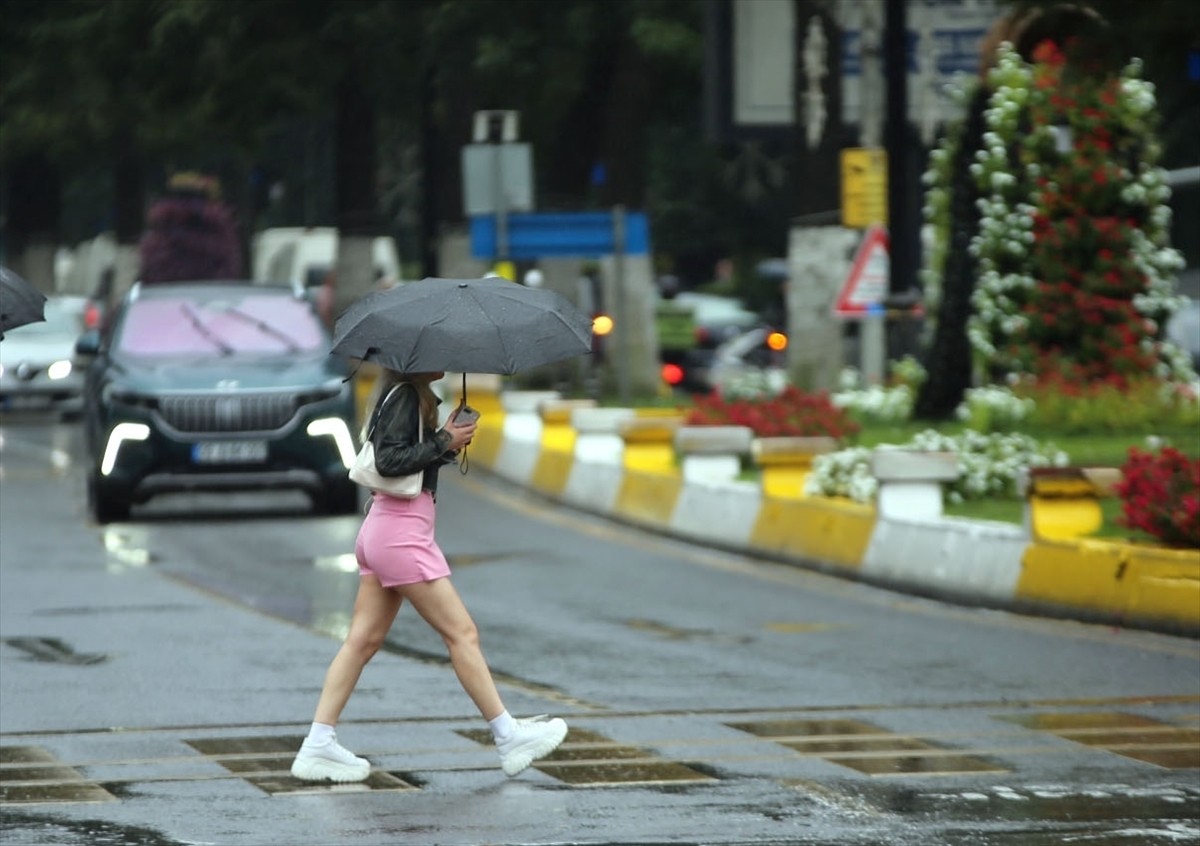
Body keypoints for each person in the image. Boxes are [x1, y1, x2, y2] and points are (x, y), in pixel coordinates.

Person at [290, 369, 568, 782]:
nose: (449, 360)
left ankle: (317, 745)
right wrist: (443, 440)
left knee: (361, 643)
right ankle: (508, 736)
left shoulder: (404, 394)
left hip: (385, 527)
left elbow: (406, 460)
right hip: (401, 534)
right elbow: (388, 461)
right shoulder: (404, 395)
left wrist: (448, 440)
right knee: (462, 634)